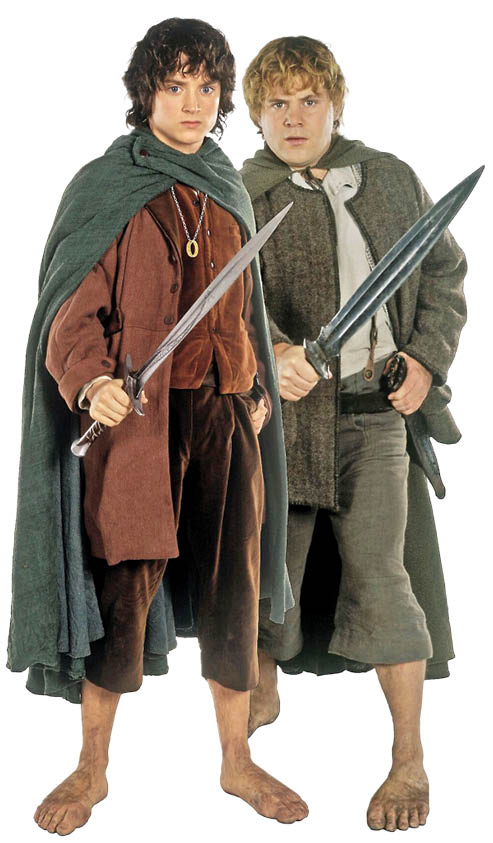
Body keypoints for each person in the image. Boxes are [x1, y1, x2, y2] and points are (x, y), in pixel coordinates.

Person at [8, 18, 309, 835]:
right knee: (124, 583)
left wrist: (252, 384)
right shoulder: (106, 185)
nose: (192, 102)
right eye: (175, 85)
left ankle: (236, 759)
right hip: (139, 418)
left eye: (206, 87)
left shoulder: (225, 186)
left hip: (224, 413)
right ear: (145, 92)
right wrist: (90, 381)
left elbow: (243, 309)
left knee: (233, 588)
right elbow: (71, 311)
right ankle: (92, 765)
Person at [241, 35, 467, 833]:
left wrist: (425, 361)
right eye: (276, 102)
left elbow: (440, 276)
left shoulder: (389, 177)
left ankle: (408, 756)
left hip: (375, 413)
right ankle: (260, 690)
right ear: (255, 113)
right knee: (265, 573)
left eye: (308, 100)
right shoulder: (239, 195)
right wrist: (271, 353)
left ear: (334, 105)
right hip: (281, 422)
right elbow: (222, 303)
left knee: (383, 576)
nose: (293, 117)